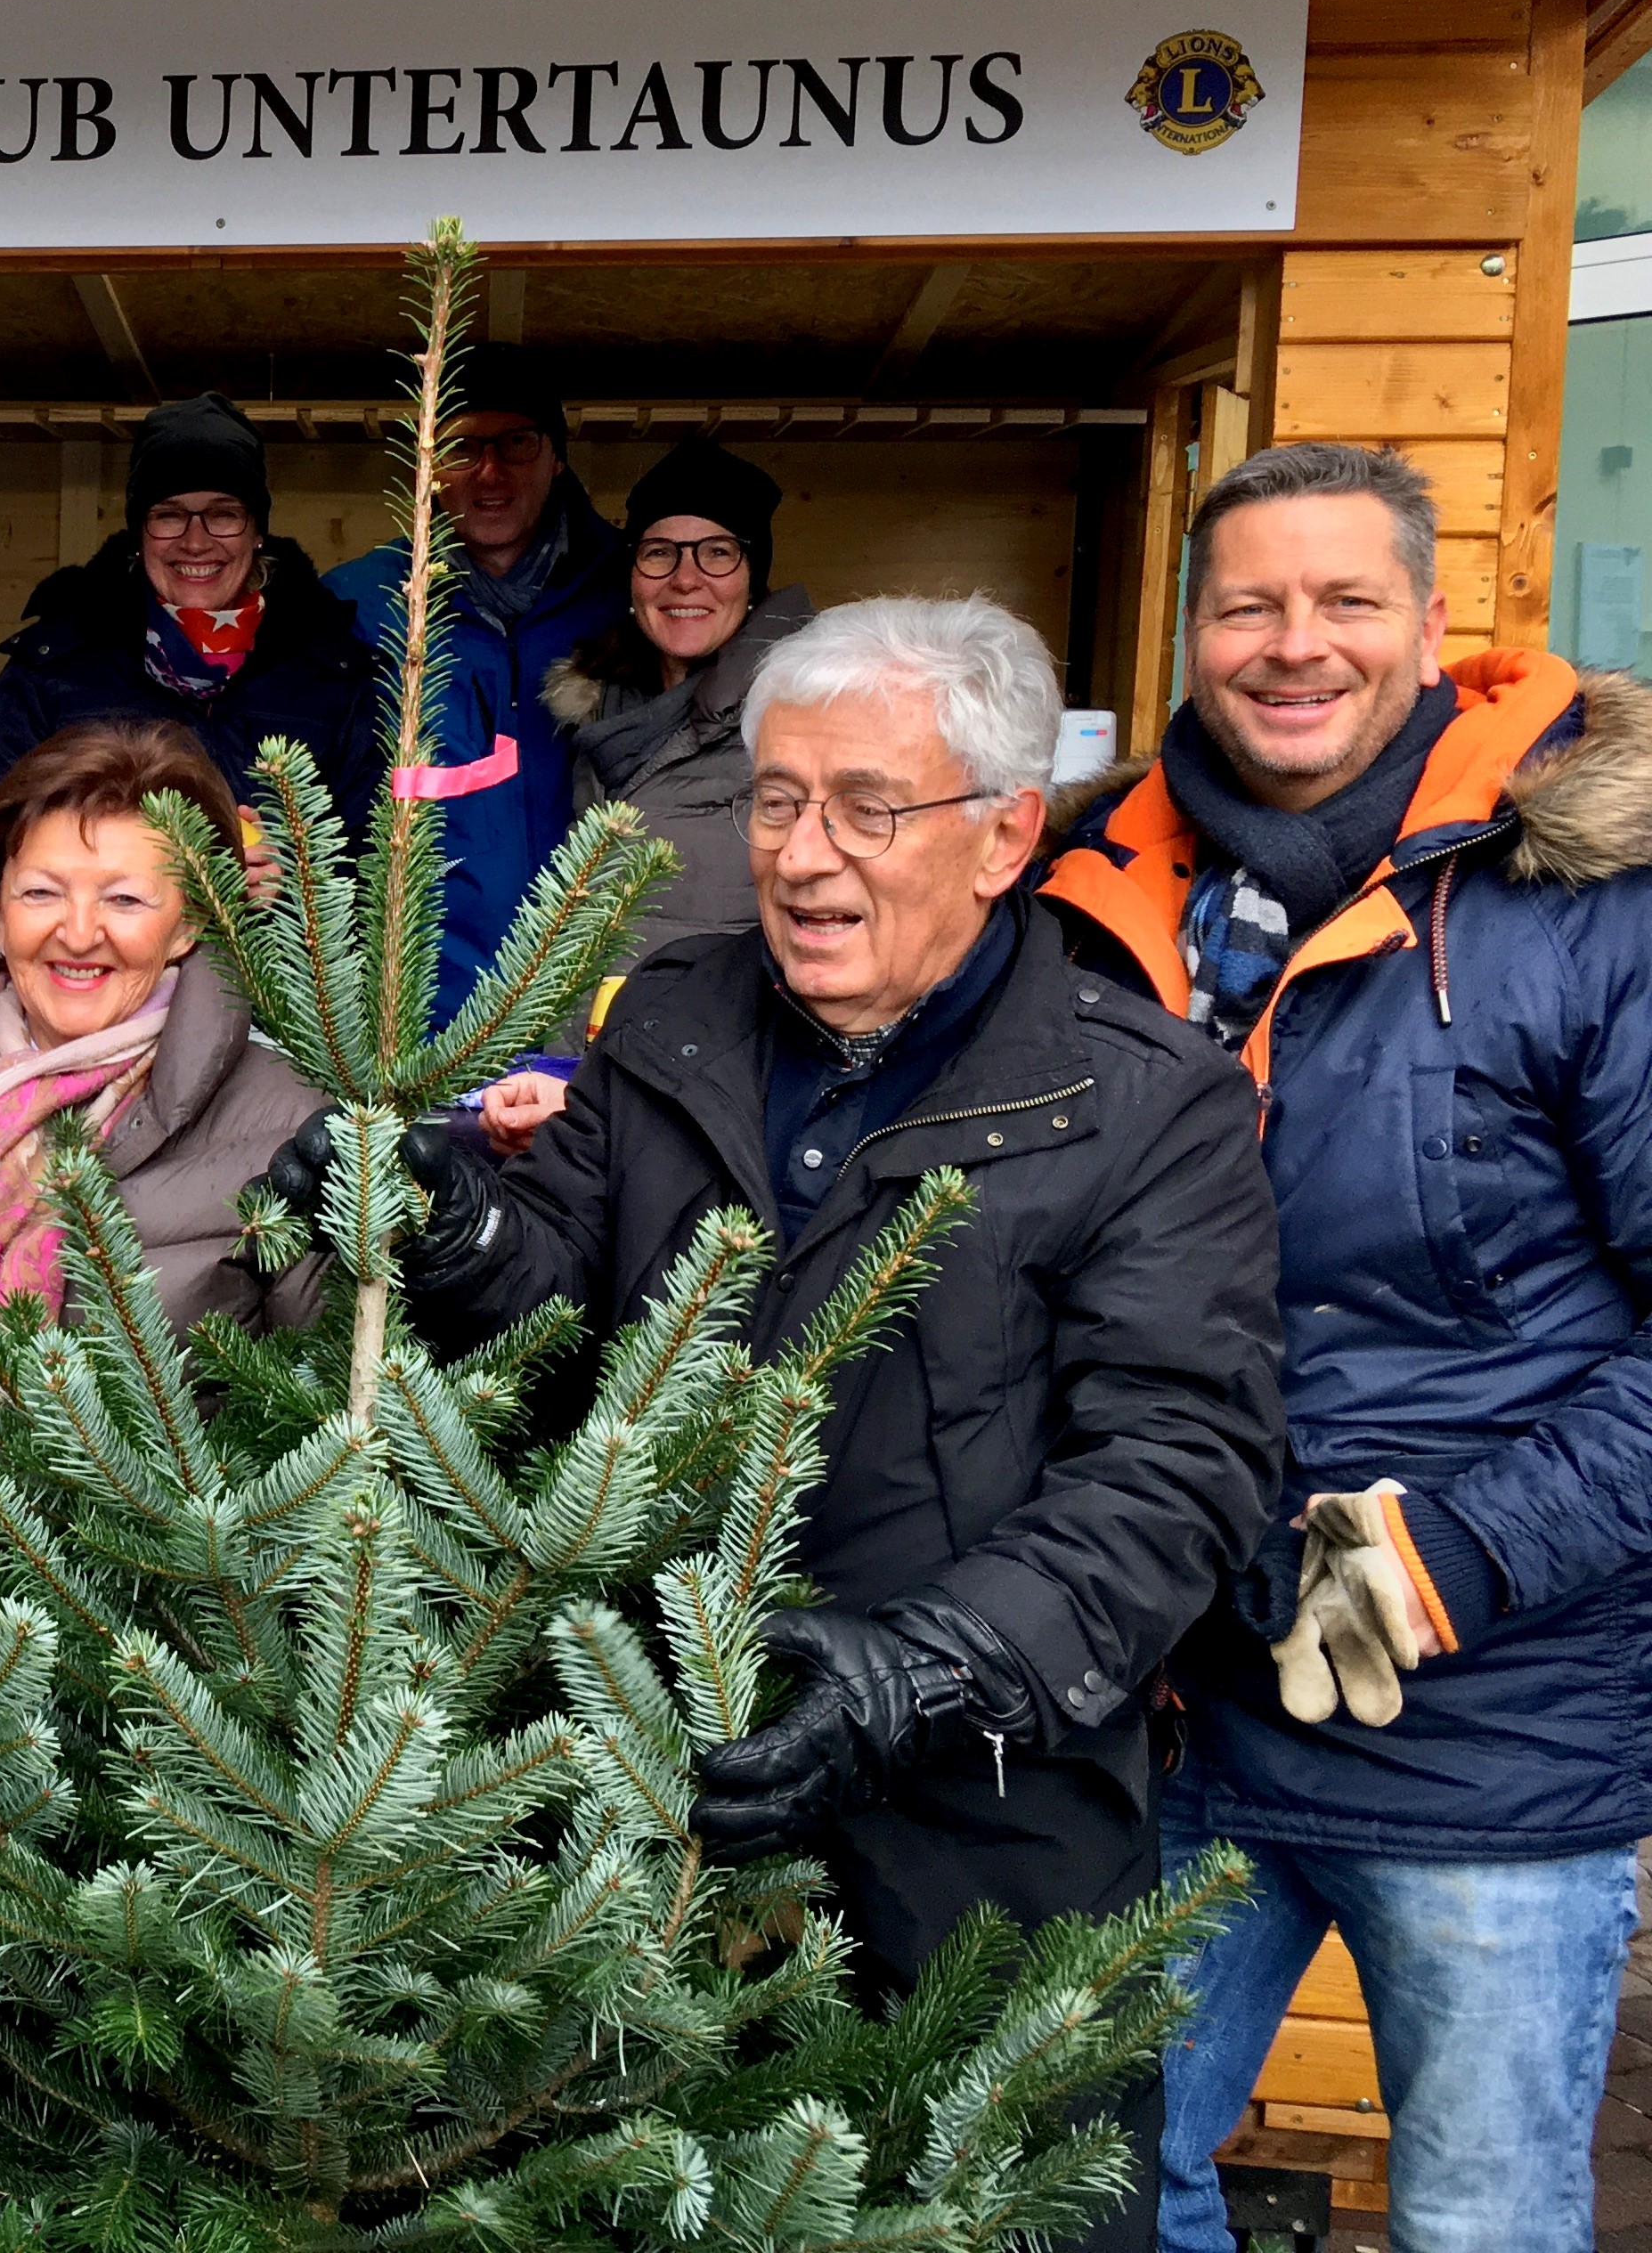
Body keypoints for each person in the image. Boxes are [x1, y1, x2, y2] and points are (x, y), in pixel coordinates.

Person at [280, 596, 1283, 2253]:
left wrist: (922, 1668)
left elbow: (1177, 1465)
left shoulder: (1144, 1101)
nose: (802, 854)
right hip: (648, 1815)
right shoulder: (668, 1016)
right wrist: (448, 1224)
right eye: (773, 800)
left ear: (1001, 832)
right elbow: (563, 1303)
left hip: (980, 1855)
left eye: (864, 807)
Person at [1034, 441, 1652, 2253]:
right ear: (1194, 634)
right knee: (1083, 2175)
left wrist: (1445, 1559)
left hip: (1486, 1733)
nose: (1292, 645)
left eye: (1343, 601)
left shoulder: (1588, 908)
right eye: (1249, 605)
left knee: (1475, 2215)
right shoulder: (1103, 894)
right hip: (1168, 1699)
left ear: (1434, 627)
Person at [0, 719, 328, 1346]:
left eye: (123, 901)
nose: (77, 932)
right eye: (41, 893)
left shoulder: (289, 1121)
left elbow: (327, 1408)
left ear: (189, 925)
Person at [324, 346, 627, 1018]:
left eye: (515, 443)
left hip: (596, 1009)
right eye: (462, 447)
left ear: (557, 457)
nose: (489, 472)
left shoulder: (634, 597)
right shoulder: (359, 606)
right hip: (416, 1014)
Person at [0, 394, 378, 826]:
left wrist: (298, 875)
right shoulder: (50, 672)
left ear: (257, 530)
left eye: (224, 514)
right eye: (169, 515)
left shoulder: (334, 677)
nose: (196, 542)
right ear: (138, 532)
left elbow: (381, 856)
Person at [540, 437, 812, 971]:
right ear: (633, 577)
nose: (686, 579)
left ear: (752, 576)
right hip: (594, 1044)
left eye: (717, 552)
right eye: (659, 552)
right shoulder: (602, 711)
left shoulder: (796, 719)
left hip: (716, 1045)